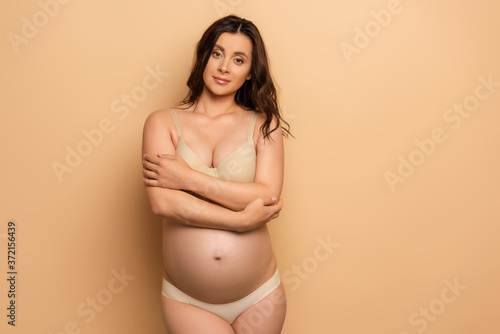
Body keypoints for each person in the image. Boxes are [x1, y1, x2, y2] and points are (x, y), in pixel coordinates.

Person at [142, 15, 291, 334]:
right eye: (217, 53)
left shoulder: (265, 125)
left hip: (259, 296)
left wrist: (188, 179)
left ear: (250, 72)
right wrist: (239, 220)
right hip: (188, 300)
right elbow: (163, 204)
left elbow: (265, 195)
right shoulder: (162, 122)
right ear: (203, 57)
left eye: (239, 60)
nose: (225, 67)